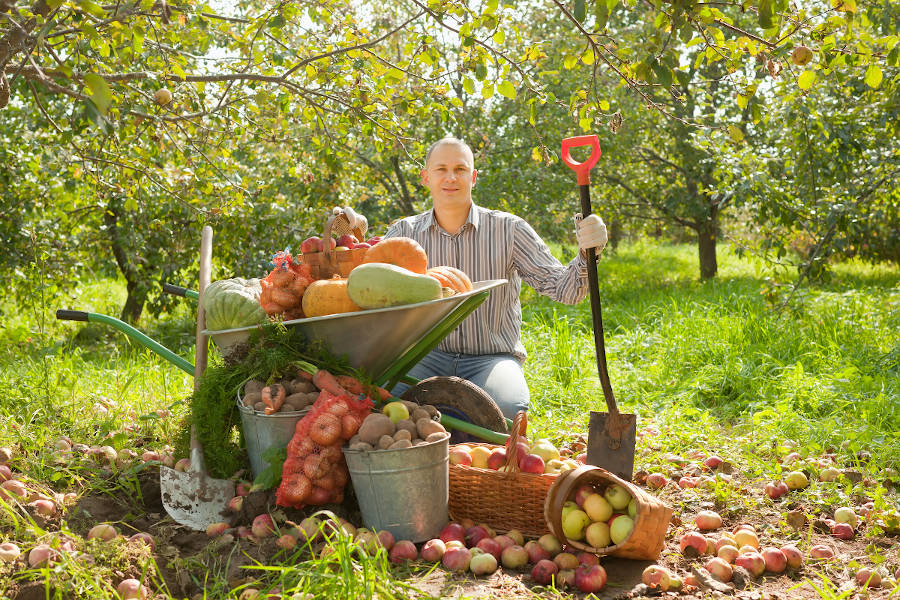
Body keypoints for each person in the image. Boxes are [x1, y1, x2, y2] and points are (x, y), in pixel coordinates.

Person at [385, 137, 608, 420]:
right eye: (441, 169)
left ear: (473, 177)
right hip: (425, 356)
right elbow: (364, 281)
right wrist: (352, 235)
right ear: (425, 177)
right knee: (381, 399)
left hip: (490, 359)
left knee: (508, 412)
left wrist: (589, 253)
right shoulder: (405, 232)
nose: (451, 177)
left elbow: (566, 291)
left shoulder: (509, 229)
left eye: (460, 169)